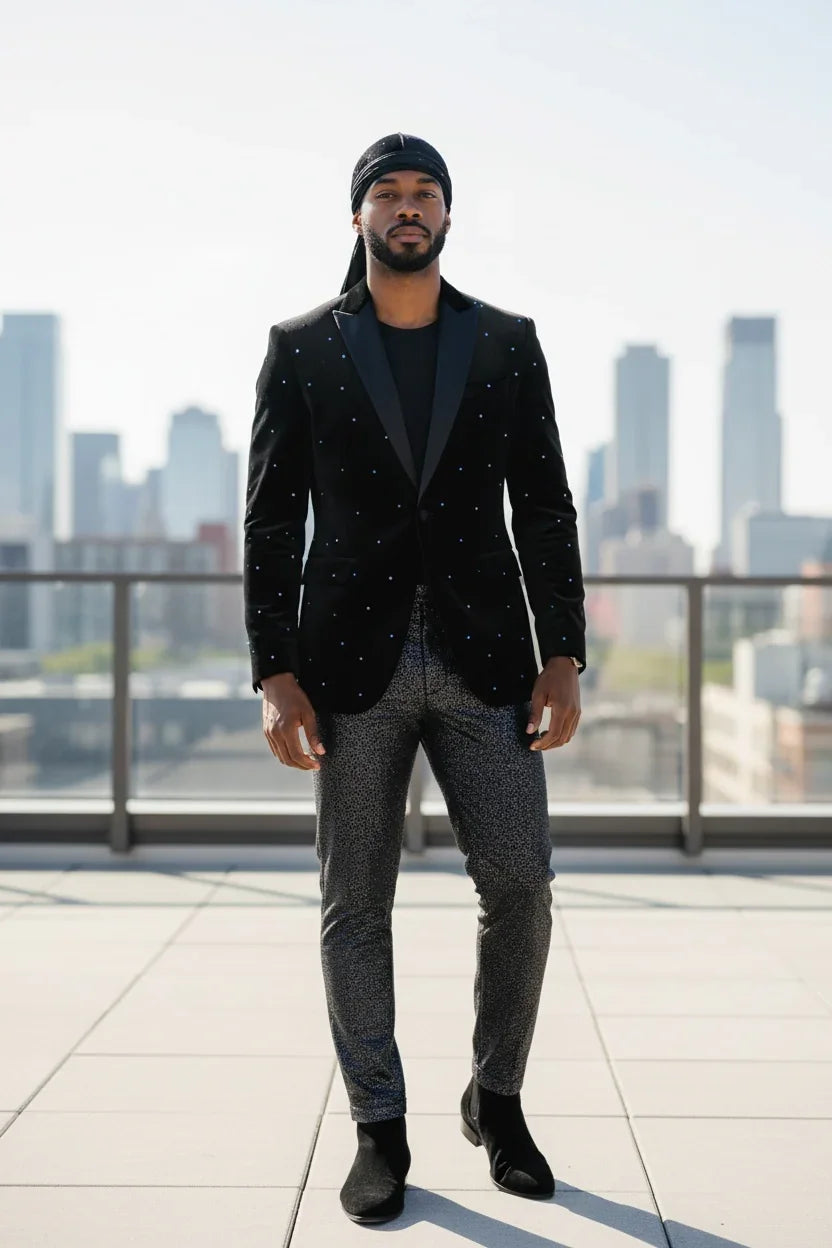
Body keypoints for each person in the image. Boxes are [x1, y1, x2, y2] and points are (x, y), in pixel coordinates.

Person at [243, 132, 586, 1225]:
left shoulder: (506, 343)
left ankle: (497, 1097)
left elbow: (544, 505)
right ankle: (378, 1129)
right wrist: (273, 672)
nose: (406, 208)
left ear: (447, 216)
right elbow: (267, 521)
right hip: (348, 667)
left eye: (423, 193)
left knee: (521, 884)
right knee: (356, 905)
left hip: (487, 659)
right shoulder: (301, 348)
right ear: (357, 218)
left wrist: (563, 655)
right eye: (386, 194)